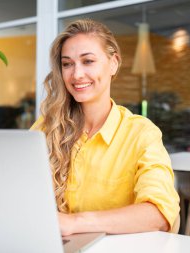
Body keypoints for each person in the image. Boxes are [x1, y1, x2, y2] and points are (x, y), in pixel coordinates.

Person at [31, 19, 180, 236]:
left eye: (88, 61)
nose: (76, 74)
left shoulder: (141, 134)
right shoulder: (46, 127)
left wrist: (74, 223)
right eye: (67, 64)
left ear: (114, 63)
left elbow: (159, 213)